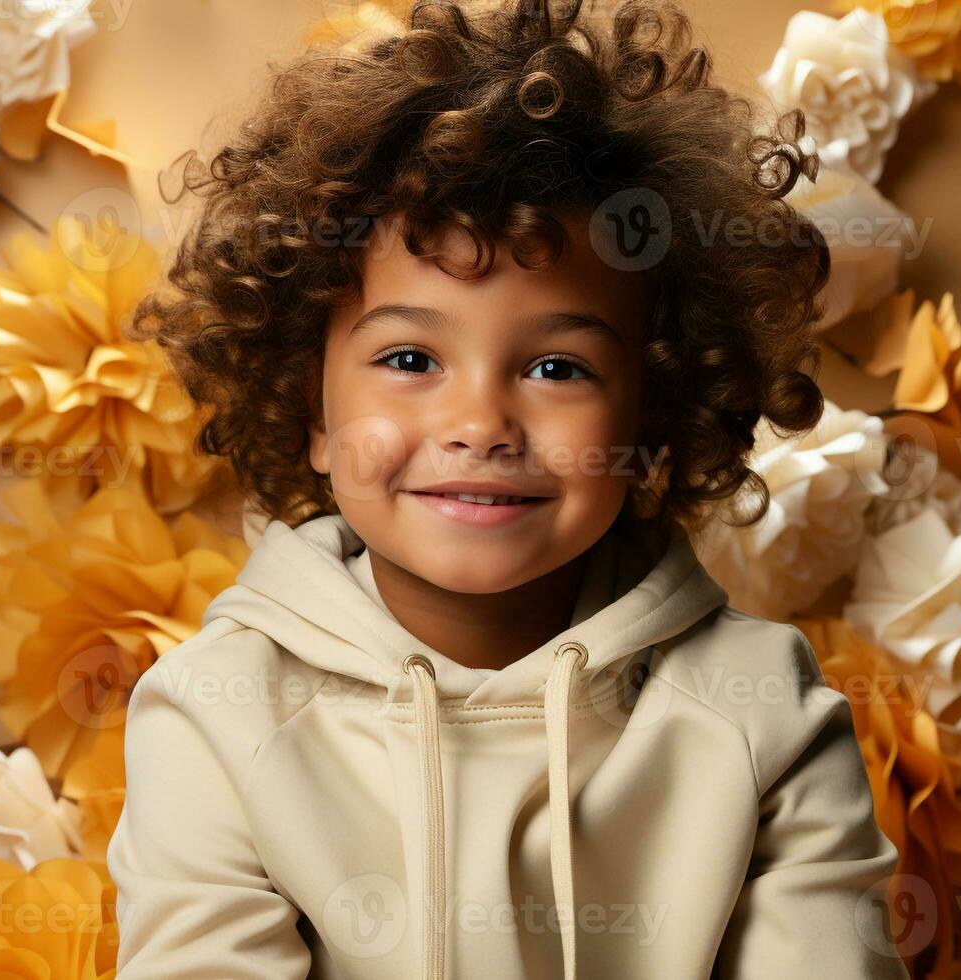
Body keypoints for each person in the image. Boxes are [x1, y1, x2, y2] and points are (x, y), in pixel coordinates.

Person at [106, 0, 908, 976]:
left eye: (556, 369)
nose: (480, 422)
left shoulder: (761, 710)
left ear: (647, 416)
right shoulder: (215, 709)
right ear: (309, 407)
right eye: (409, 355)